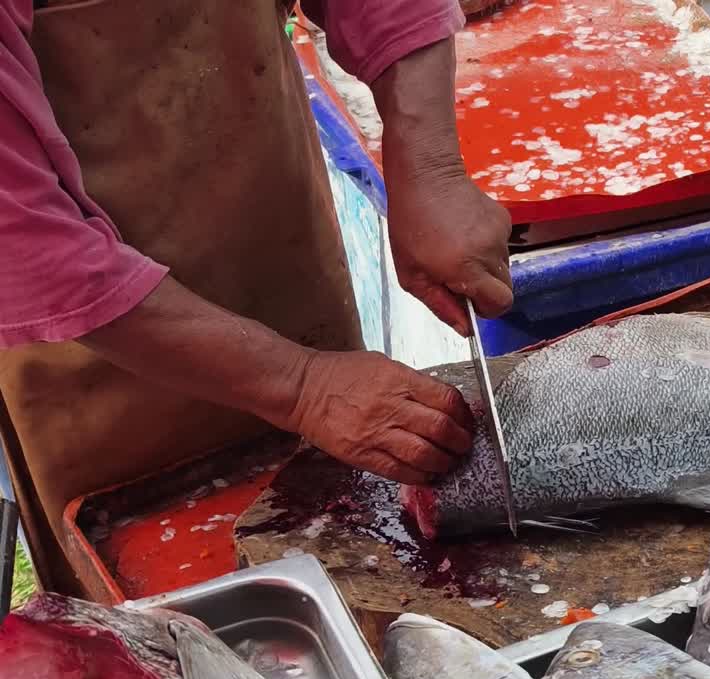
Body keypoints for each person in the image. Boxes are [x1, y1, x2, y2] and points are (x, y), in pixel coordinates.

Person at [0, 0, 512, 593]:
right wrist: (301, 387)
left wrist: (432, 169)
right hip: (96, 351)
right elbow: (25, 246)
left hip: (279, 247)